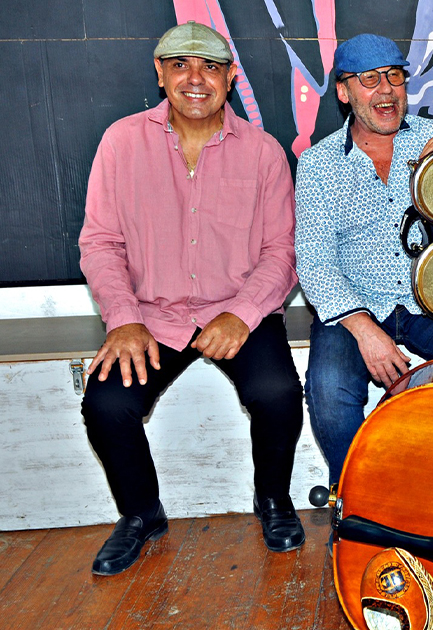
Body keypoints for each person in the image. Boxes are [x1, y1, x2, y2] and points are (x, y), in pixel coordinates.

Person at [78, 21, 305, 576]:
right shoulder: (121, 142)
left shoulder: (264, 152)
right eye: (180, 65)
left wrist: (242, 315)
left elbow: (281, 251)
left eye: (210, 67)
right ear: (160, 74)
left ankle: (273, 499)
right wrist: (123, 318)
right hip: (151, 313)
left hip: (239, 307)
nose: (195, 79)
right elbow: (100, 242)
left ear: (230, 77)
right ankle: (141, 513)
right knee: (105, 403)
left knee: (277, 392)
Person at [295, 34, 433, 484]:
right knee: (329, 393)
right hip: (354, 308)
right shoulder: (319, 164)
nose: (386, 90)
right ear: (343, 91)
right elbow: (314, 262)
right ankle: (355, 497)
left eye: (394, 77)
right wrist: (364, 330)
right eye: (370, 80)